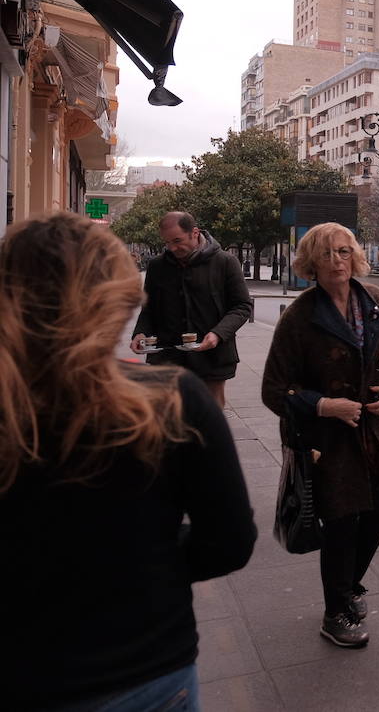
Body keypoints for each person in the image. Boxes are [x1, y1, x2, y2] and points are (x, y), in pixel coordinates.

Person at [0, 212, 256, 710]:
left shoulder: (220, 266)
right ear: (114, 297)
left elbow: (239, 306)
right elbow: (227, 543)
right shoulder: (171, 402)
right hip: (142, 667)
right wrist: (141, 557)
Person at [261, 223, 379, 649]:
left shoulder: (378, 301)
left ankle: (349, 586)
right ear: (311, 263)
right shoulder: (300, 317)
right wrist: (322, 405)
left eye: (344, 251)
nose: (337, 261)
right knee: (341, 523)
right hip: (328, 442)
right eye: (327, 254)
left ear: (356, 256)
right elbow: (274, 390)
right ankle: (336, 613)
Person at [131, 211, 253, 408]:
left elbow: (242, 306)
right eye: (167, 243)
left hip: (212, 355)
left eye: (177, 241)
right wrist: (140, 333)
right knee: (169, 416)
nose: (172, 248)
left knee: (210, 415)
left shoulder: (225, 262)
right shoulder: (157, 266)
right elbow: (149, 308)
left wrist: (218, 334)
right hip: (167, 356)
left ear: (195, 233)